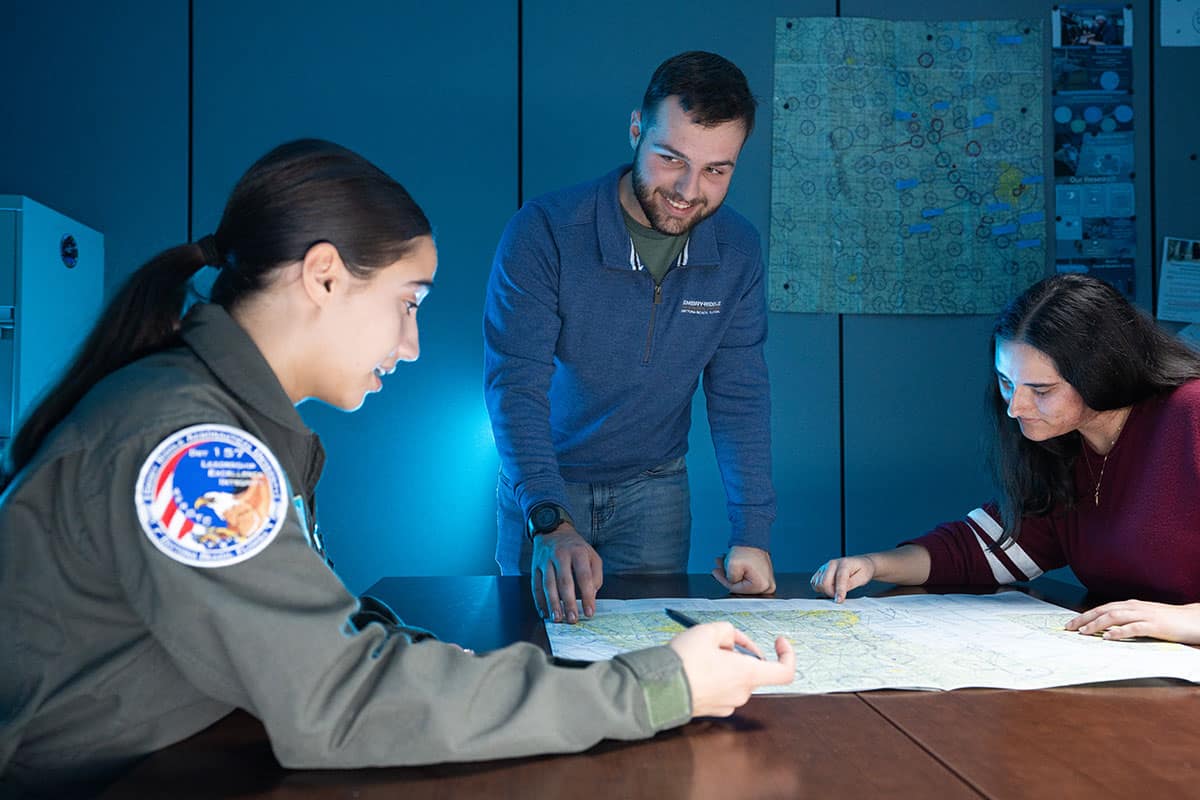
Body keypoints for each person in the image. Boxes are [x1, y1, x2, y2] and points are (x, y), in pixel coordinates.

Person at [0, 139, 796, 798]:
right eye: (408, 302)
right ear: (322, 277)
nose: (411, 344)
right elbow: (334, 701)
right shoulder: (194, 449)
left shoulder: (217, 416)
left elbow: (306, 639)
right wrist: (657, 687)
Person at [484, 51, 777, 624]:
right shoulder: (544, 231)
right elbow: (514, 385)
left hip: (654, 489)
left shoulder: (738, 250)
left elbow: (740, 397)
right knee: (531, 651)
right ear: (637, 129)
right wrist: (548, 516)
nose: (689, 191)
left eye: (717, 170)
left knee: (648, 657)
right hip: (546, 480)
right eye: (672, 159)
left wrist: (753, 531)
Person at [810, 274, 1200, 644]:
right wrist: (874, 565)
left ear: (1102, 373)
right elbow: (980, 549)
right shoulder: (1062, 445)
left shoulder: (1190, 413)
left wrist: (1187, 618)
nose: (1015, 407)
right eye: (1006, 382)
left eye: (1041, 390)